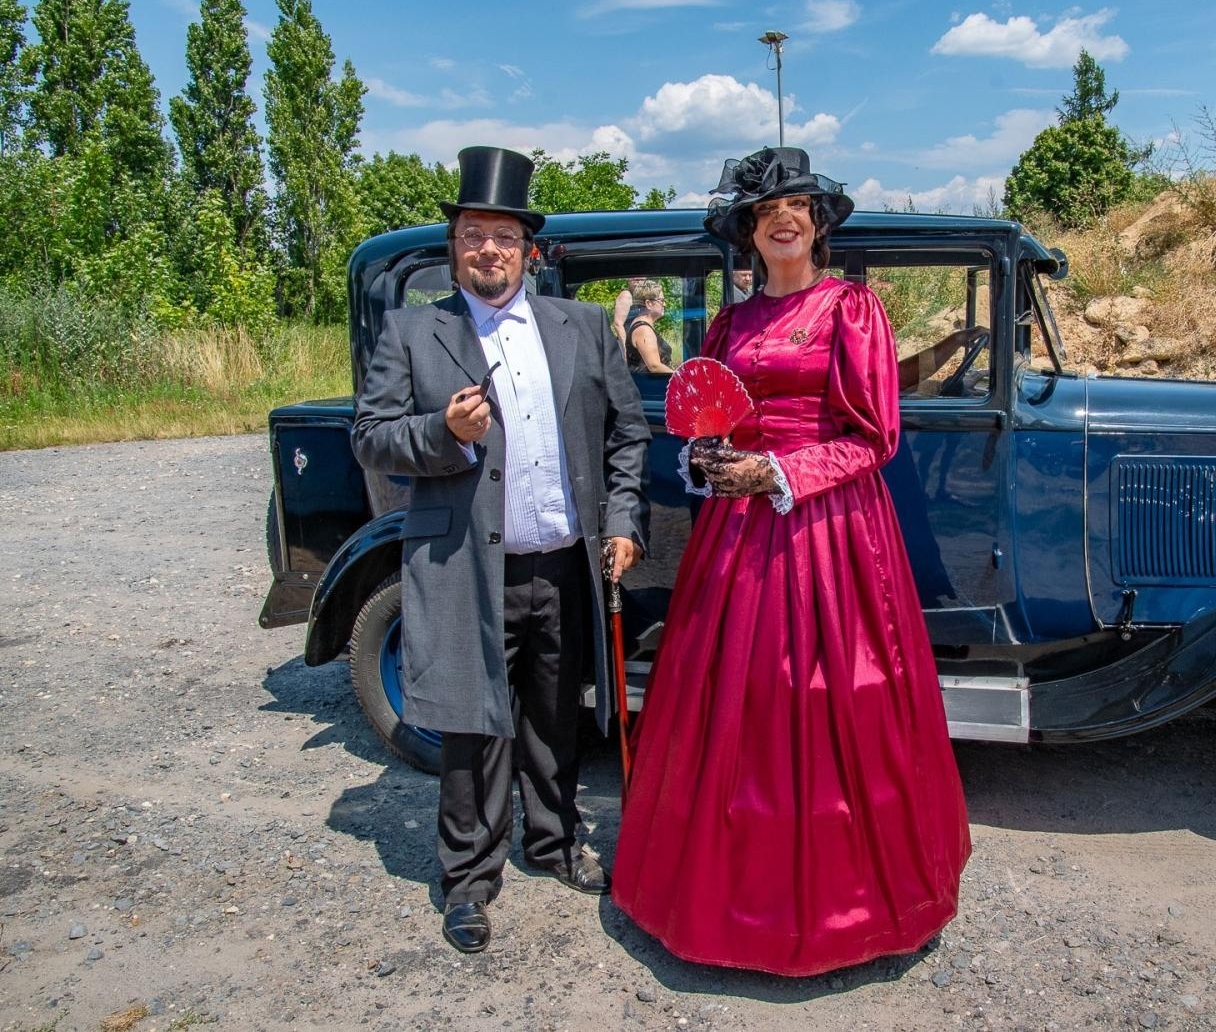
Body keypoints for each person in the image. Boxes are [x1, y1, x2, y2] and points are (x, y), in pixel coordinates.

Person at [611, 146, 970, 976]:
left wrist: (780, 470)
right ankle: (719, 901)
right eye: (769, 209)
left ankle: (861, 907)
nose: (784, 218)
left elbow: (874, 435)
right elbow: (713, 412)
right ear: (748, 228)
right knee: (735, 698)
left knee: (836, 695)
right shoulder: (729, 323)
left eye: (799, 207)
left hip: (830, 530)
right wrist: (708, 460)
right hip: (737, 535)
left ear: (816, 223)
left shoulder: (852, 309)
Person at [352, 146, 650, 955]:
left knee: (555, 719)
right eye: (472, 235)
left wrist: (623, 521)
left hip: (561, 562)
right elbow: (372, 437)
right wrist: (441, 434)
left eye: (503, 237)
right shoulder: (415, 331)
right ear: (455, 248)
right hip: (465, 569)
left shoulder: (584, 327)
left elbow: (628, 434)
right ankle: (468, 879)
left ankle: (552, 843)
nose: (487, 249)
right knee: (473, 726)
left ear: (530, 251)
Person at [622, 279, 675, 374]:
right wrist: (681, 378)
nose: (665, 304)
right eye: (661, 301)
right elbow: (654, 366)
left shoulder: (642, 325)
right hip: (650, 386)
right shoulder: (643, 330)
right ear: (648, 304)